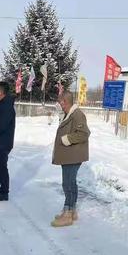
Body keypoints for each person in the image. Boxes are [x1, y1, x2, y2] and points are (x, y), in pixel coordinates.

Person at [51, 91, 90, 227]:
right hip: (69, 155)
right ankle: (71, 211)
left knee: (67, 184)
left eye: (59, 101)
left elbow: (84, 133)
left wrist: (67, 139)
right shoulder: (68, 114)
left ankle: (67, 213)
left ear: (64, 102)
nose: (58, 104)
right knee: (70, 183)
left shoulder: (77, 114)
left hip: (73, 155)